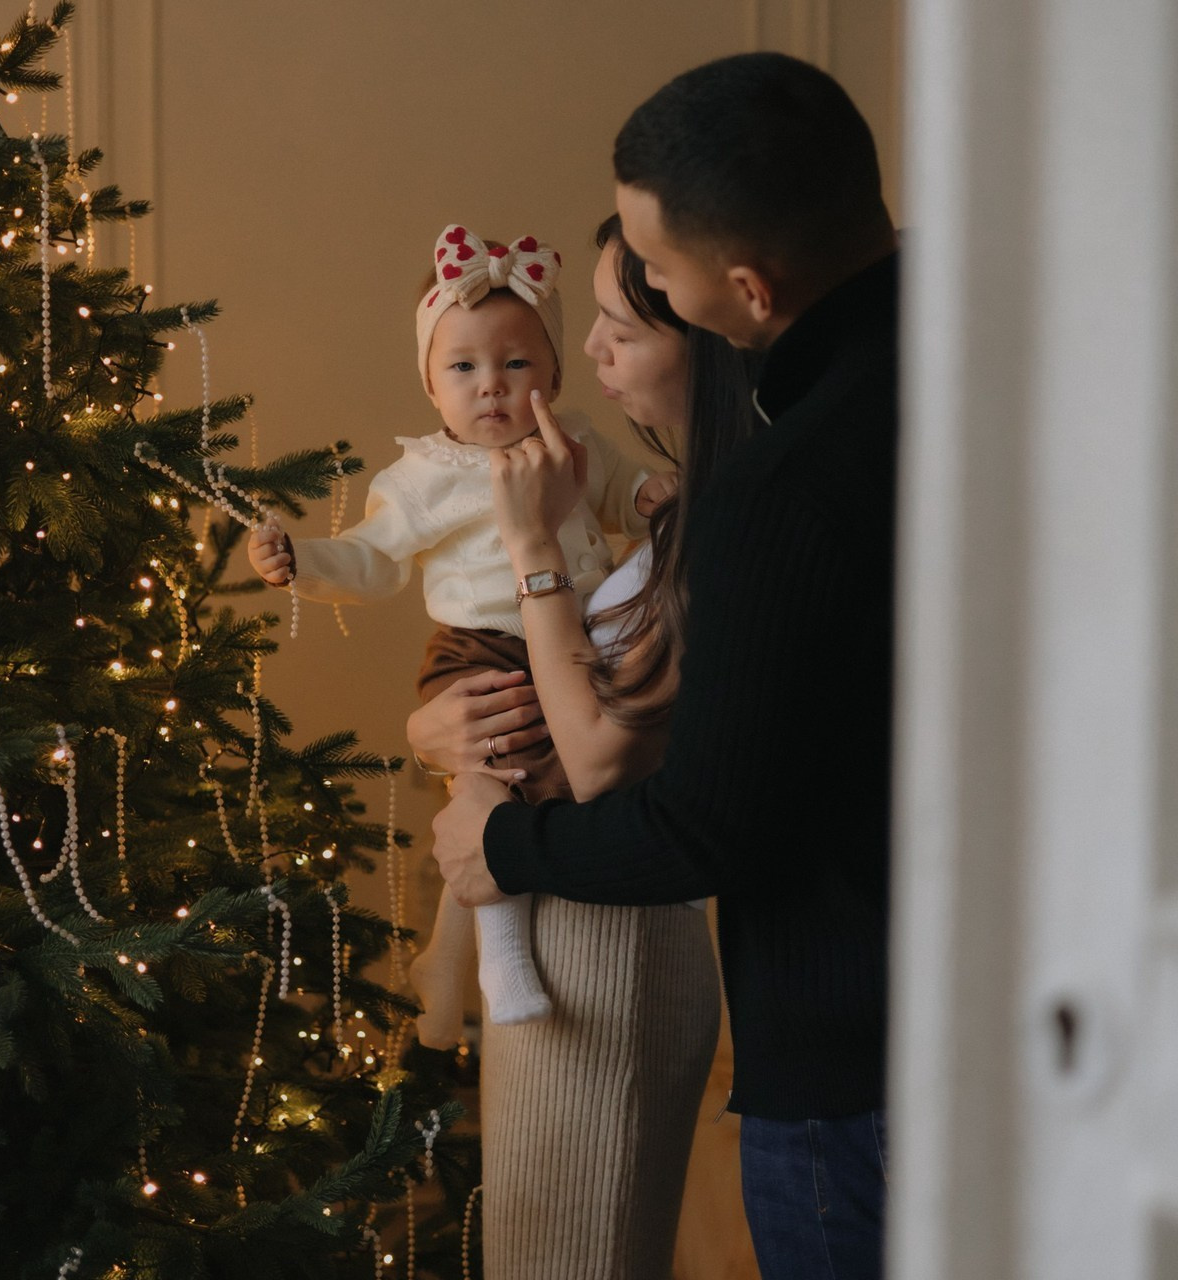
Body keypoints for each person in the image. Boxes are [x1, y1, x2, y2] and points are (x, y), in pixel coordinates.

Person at [430, 52, 900, 1280]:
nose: (585, 350)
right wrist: (446, 718)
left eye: (651, 283)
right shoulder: (972, 378)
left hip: (840, 1049)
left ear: (738, 293)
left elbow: (682, 811)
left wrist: (496, 845)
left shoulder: (772, 492)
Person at [408, 214, 756, 1279]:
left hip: (607, 955)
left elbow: (601, 752)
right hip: (563, 943)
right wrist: (435, 723)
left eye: (616, 325)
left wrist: (527, 549)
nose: (589, 353)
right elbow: (546, 697)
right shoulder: (667, 503)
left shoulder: (717, 516)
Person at [247, 222, 670, 1037]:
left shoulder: (575, 438)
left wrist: (657, 495)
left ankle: (445, 953)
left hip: (575, 637)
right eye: (464, 368)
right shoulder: (421, 480)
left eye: (516, 363)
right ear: (431, 386)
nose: (492, 387)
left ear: (552, 369)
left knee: (567, 785)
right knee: (488, 782)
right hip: (476, 652)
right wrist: (302, 559)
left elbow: (623, 494)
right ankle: (497, 957)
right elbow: (373, 560)